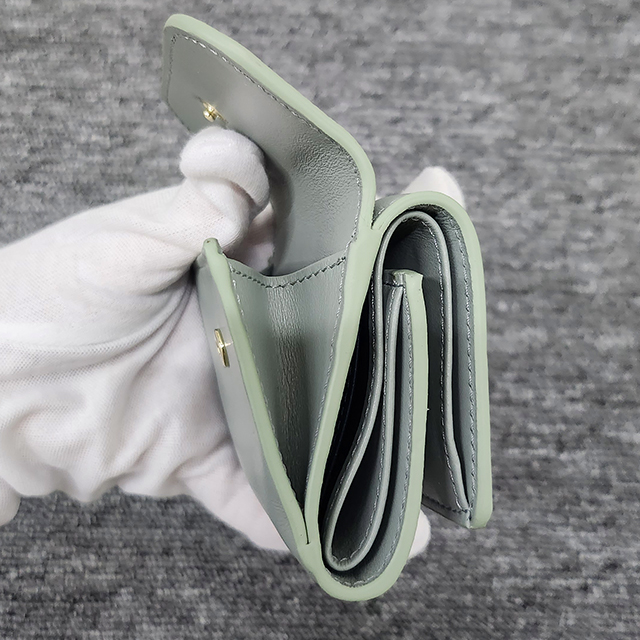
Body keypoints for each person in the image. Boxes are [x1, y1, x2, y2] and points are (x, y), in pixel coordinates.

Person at [0, 126, 465, 557]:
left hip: (173, 312)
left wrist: (203, 211)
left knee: (310, 262)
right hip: (206, 437)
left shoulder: (46, 310)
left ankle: (388, 253)